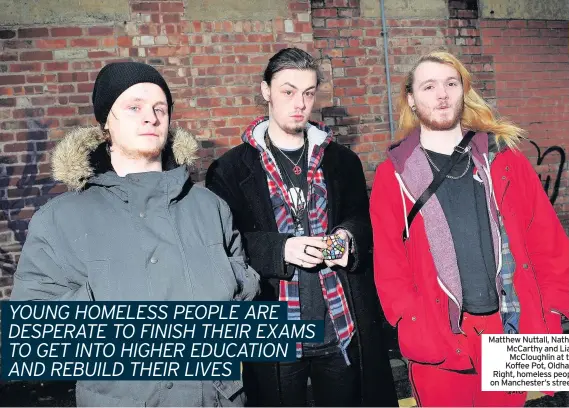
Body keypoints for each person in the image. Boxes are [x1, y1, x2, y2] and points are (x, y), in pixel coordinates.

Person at [10, 62, 259, 407]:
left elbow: (243, 295)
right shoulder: (60, 218)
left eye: (160, 108)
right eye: (134, 107)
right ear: (105, 125)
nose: (151, 117)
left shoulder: (210, 207)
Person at [371, 51, 569, 407]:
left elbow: (548, 242)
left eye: (451, 83)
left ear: (464, 91)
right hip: (439, 325)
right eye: (429, 86)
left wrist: (552, 309)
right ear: (412, 100)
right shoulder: (393, 173)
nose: (442, 94)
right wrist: (410, 320)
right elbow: (389, 263)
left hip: (512, 320)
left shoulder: (505, 157)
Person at [206, 48, 397, 407]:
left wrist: (347, 239)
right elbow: (222, 246)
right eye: (288, 91)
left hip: (339, 325)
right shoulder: (229, 169)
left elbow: (361, 219)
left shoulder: (342, 161)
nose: (300, 103)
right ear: (266, 91)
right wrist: (281, 249)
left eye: (309, 93)